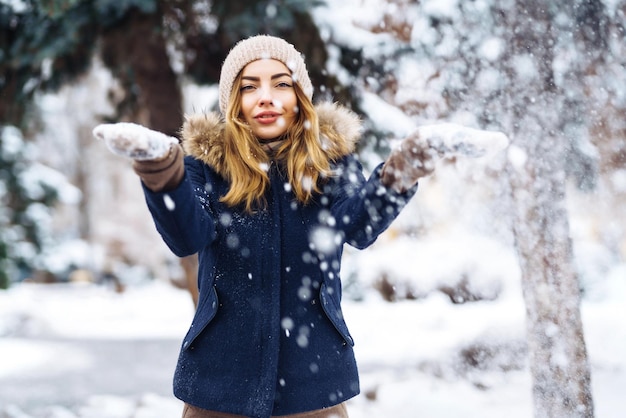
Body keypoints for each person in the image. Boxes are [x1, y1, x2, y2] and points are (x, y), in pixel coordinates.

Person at [93, 35, 436, 418]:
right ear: (233, 102)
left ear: (300, 96)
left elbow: (358, 226)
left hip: (313, 384)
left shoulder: (331, 166)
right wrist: (161, 170)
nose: (266, 97)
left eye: (281, 84)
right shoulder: (208, 169)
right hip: (219, 384)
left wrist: (400, 173)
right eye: (249, 86)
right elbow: (186, 235)